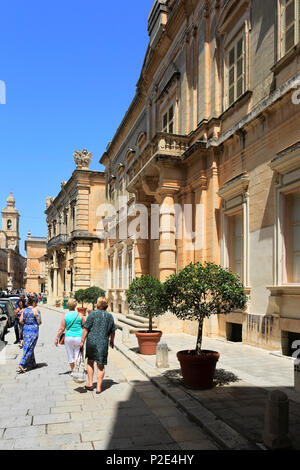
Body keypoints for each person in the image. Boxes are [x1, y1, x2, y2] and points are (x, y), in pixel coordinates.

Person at [79, 297, 116, 394]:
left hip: (91, 342)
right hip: (103, 343)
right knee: (101, 365)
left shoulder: (92, 314)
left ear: (97, 304)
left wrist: (82, 340)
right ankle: (99, 388)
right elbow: (113, 331)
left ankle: (90, 384)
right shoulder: (109, 316)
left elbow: (86, 329)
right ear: (106, 305)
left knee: (90, 362)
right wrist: (112, 341)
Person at [55, 299, 84, 375]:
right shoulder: (80, 315)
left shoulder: (65, 315)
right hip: (78, 337)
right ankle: (79, 370)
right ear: (75, 306)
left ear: (68, 306)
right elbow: (85, 326)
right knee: (78, 354)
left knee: (70, 355)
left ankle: (73, 371)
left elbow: (62, 328)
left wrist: (57, 338)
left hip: (68, 338)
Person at [18, 297, 40, 373]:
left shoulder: (24, 310)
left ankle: (33, 363)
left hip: (25, 330)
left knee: (28, 346)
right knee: (30, 348)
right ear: (33, 303)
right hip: (33, 331)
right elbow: (39, 322)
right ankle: (22, 363)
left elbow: (20, 321)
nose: (37, 304)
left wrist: (27, 324)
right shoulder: (35, 310)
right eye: (36, 303)